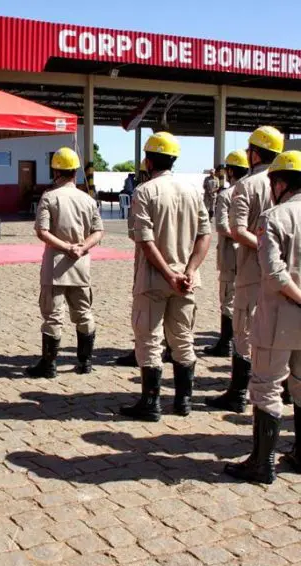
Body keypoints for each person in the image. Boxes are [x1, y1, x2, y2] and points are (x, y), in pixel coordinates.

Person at [120, 132, 211, 422]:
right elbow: (204, 235)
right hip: (186, 280)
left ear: (148, 160)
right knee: (183, 338)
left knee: (149, 339)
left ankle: (151, 403)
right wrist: (190, 270)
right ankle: (184, 401)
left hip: (154, 280)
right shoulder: (192, 191)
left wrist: (168, 273)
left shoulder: (144, 192)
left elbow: (145, 242)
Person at [224, 150, 301, 484]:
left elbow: (273, 273)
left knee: (267, 386)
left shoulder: (275, 217)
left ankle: (261, 463)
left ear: (280, 183)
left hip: (279, 317)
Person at [207, 126, 284, 414]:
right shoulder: (286, 182)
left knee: (245, 332)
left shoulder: (247, 186)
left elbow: (237, 230)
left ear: (254, 153)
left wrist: (265, 249)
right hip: (285, 273)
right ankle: (286, 392)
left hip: (251, 271)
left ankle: (238, 393)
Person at [25, 147, 104, 379]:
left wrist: (65, 247)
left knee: (52, 316)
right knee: (84, 313)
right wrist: (82, 247)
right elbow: (99, 231)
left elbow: (42, 231)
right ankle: (85, 361)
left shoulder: (50, 197)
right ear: (75, 172)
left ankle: (49, 365)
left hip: (56, 265)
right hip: (80, 266)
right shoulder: (88, 200)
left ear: (55, 171)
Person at [116, 162, 175, 368]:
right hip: (181, 264)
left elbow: (135, 233)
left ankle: (143, 356)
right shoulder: (188, 190)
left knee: (147, 322)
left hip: (150, 264)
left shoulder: (144, 193)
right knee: (179, 325)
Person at [204, 150, 249, 357]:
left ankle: (227, 343)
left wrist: (240, 235)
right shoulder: (259, 188)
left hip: (232, 254)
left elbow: (221, 226)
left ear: (230, 171)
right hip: (252, 255)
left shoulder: (227, 194)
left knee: (228, 298)